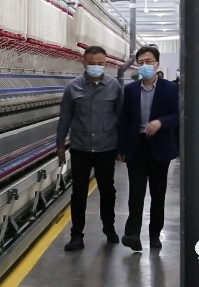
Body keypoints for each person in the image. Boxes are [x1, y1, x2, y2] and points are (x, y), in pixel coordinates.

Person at [56, 45, 123, 251]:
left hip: (106, 148)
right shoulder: (73, 88)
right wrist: (60, 146)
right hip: (81, 148)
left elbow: (120, 117)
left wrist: (121, 146)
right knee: (79, 193)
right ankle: (76, 236)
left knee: (107, 191)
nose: (96, 67)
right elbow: (65, 118)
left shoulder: (114, 86)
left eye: (100, 64)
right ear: (84, 62)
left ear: (105, 63)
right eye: (92, 63)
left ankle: (109, 228)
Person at [117, 46, 179, 251]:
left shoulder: (170, 89)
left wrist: (161, 122)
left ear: (157, 64)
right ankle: (132, 234)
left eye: (149, 61)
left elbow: (178, 116)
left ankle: (154, 235)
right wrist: (121, 148)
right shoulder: (131, 90)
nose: (145, 65)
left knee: (158, 194)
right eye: (141, 62)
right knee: (136, 193)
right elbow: (124, 120)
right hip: (137, 147)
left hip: (160, 148)